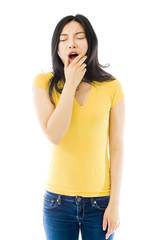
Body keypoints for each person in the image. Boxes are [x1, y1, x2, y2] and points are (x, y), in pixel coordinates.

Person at [32, 14, 125, 240]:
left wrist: (115, 204)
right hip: (57, 203)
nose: (71, 43)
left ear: (90, 43)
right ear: (57, 48)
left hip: (100, 203)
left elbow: (117, 148)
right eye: (63, 39)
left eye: (79, 37)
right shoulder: (43, 83)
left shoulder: (112, 87)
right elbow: (54, 135)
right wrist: (70, 82)